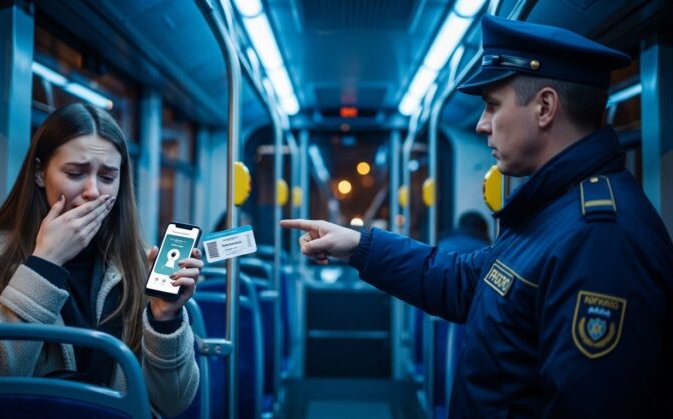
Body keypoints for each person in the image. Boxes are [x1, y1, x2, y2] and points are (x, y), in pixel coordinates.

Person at [281, 15, 673, 417]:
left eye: (492, 106)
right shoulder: (550, 211)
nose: (482, 124)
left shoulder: (602, 238)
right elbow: (463, 281)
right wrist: (358, 245)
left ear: (545, 107)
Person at [0, 103, 202, 417]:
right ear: (40, 173)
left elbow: (172, 403)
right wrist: (45, 263)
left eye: (108, 177)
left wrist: (165, 319)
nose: (93, 192)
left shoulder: (140, 263)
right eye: (75, 173)